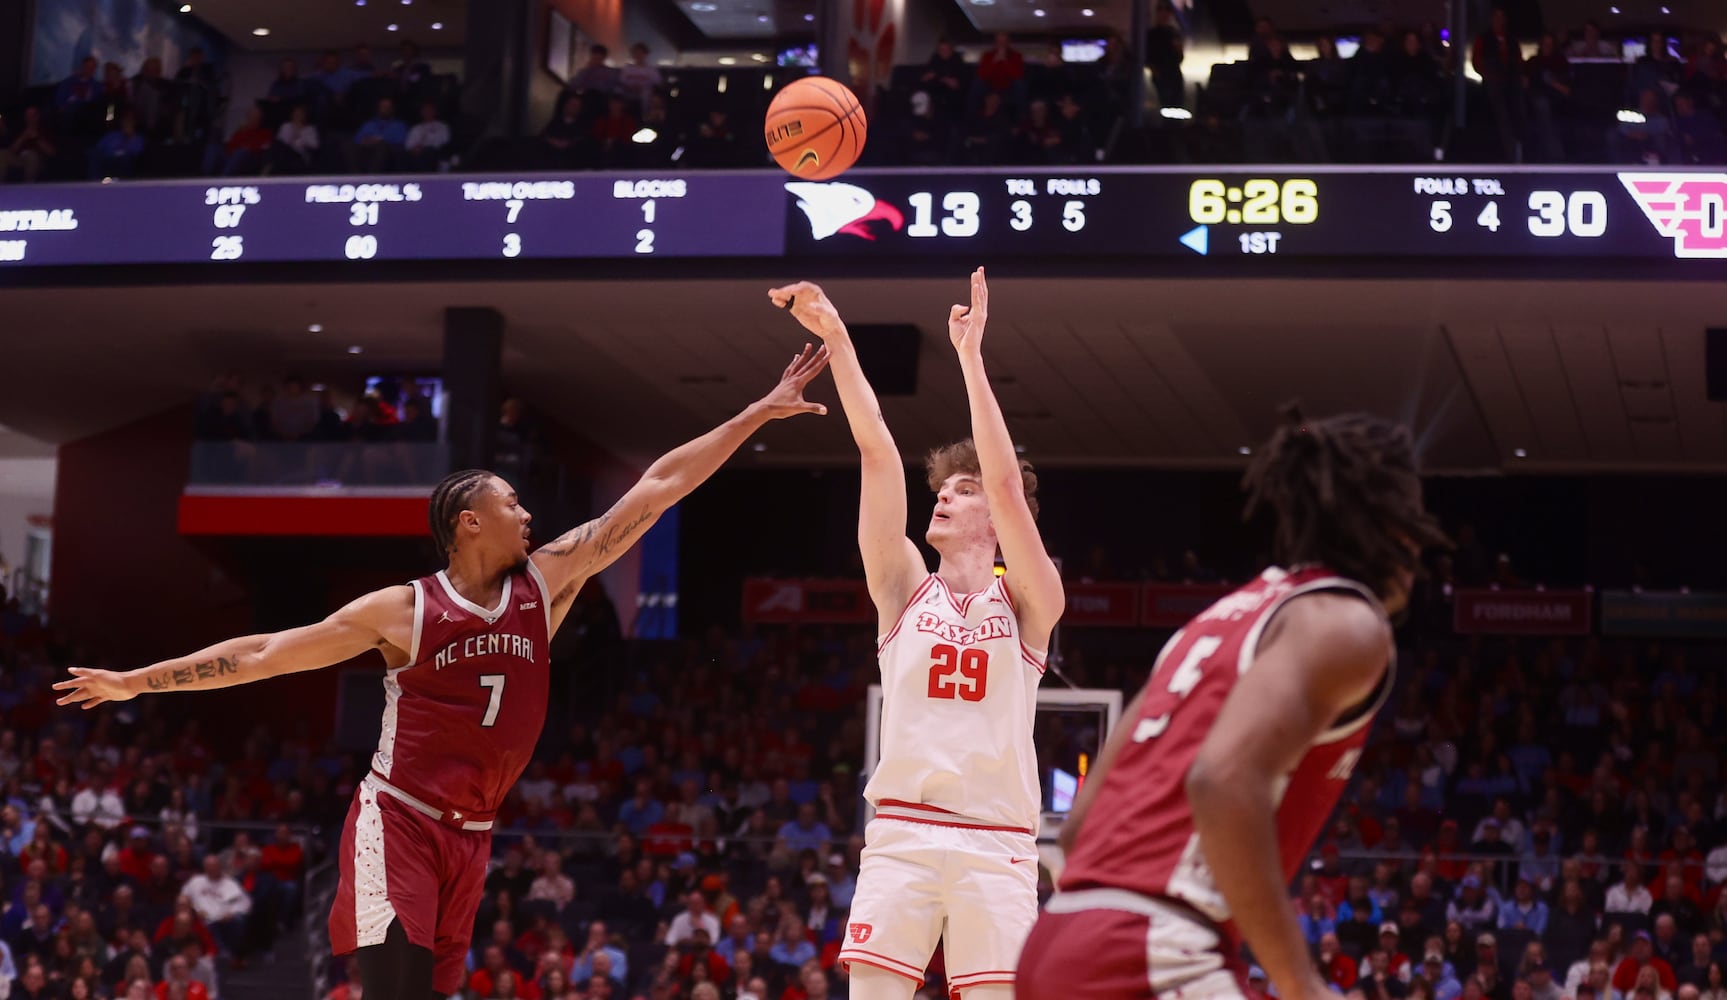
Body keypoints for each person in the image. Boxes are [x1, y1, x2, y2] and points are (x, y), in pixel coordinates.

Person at [53, 350, 831, 1000]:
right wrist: (135, 682)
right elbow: (263, 654)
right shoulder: (403, 610)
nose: (530, 516)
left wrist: (757, 411)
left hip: (474, 834)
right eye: (514, 504)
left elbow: (656, 490)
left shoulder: (547, 582)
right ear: (470, 521)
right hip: (399, 822)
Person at [1017, 405, 1446, 1000]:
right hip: (1151, 949)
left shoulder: (1219, 619)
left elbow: (1078, 828)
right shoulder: (1345, 623)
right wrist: (1302, 985)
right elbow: (1221, 781)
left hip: (1059, 941)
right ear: (1395, 524)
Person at [770, 268, 1062, 1000]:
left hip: (997, 844)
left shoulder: (1030, 598)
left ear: (998, 522)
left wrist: (969, 357)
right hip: (901, 833)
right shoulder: (900, 584)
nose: (943, 494)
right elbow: (874, 452)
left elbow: (1004, 486)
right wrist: (835, 335)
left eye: (961, 491)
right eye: (942, 487)